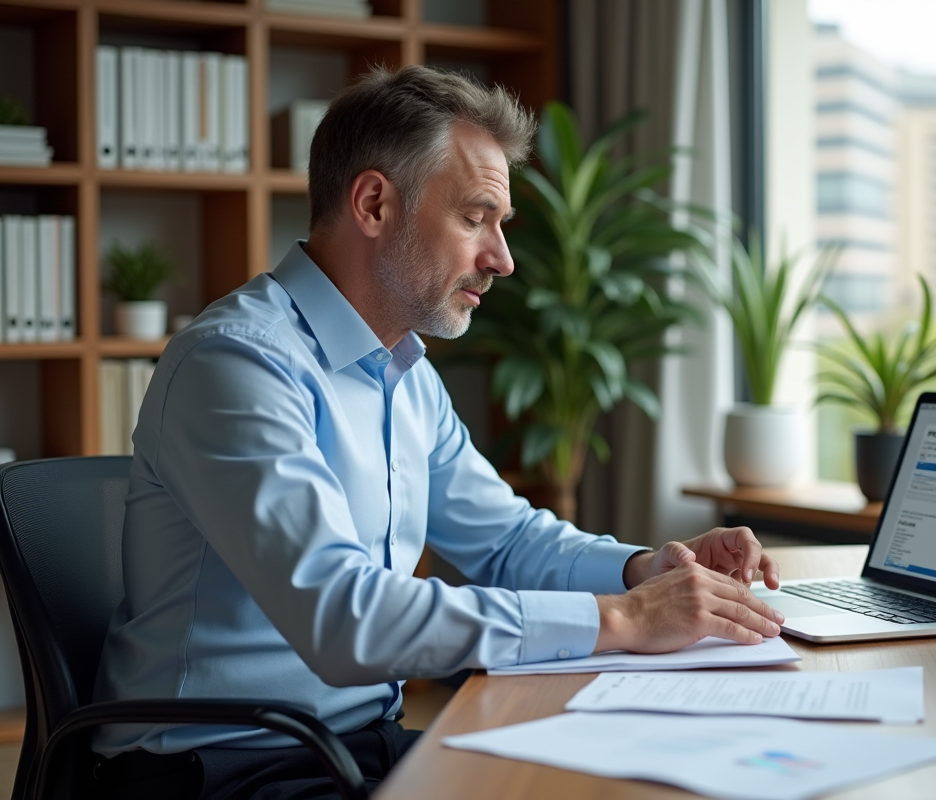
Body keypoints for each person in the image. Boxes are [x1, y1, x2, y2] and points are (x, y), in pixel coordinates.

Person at [91, 65, 784, 799]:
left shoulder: (403, 373)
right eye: (475, 217)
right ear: (374, 204)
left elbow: (508, 540)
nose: (503, 260)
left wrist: (644, 571)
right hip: (216, 767)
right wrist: (621, 619)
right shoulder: (236, 365)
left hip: (349, 745)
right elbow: (342, 617)